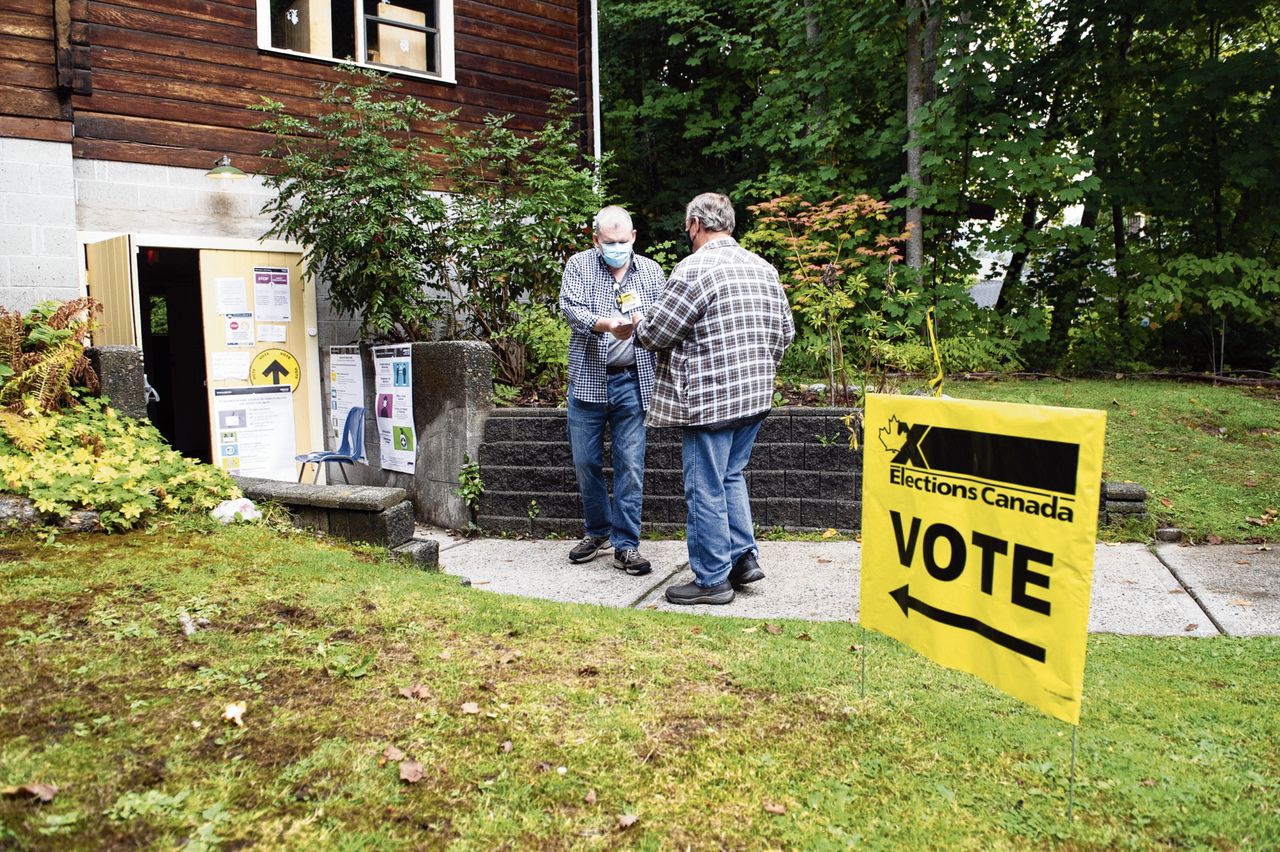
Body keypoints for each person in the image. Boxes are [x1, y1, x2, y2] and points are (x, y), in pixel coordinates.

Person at [633, 192, 794, 605]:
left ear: (694, 225)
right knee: (731, 476)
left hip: (710, 401)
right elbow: (786, 332)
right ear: (730, 223)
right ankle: (742, 559)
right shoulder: (763, 267)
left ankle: (711, 579)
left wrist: (636, 324)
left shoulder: (693, 269)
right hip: (756, 395)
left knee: (704, 487)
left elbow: (656, 333)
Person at [559, 205, 666, 575]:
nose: (617, 246)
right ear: (596, 240)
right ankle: (597, 531)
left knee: (630, 467)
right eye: (609, 242)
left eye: (623, 241)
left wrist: (640, 322)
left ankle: (626, 544)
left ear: (633, 237)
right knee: (586, 462)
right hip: (589, 380)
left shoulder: (651, 271)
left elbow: (663, 320)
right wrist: (603, 324)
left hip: (634, 381)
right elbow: (570, 308)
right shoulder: (579, 266)